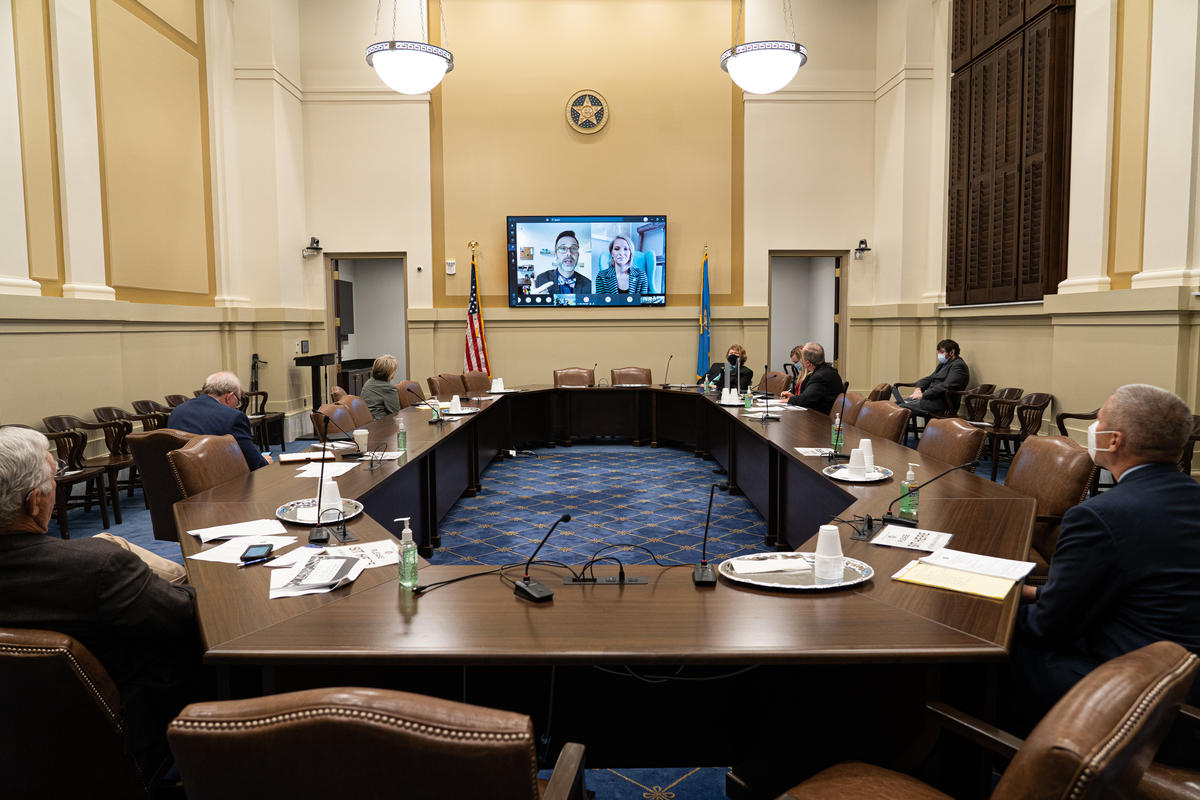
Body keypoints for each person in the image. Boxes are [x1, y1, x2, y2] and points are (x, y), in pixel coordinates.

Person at [1008, 384, 1200, 767]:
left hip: (1136, 702)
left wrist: (993, 608)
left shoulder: (1100, 515)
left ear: (1114, 440)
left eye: (1098, 420)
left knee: (982, 652)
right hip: (1188, 689)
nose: (1093, 428)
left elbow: (1051, 628)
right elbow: (1144, 587)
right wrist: (1031, 593)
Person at [0, 426, 202, 781]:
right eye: (54, 479)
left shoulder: (93, 564)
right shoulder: (96, 568)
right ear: (34, 501)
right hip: (124, 736)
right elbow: (184, 619)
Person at [167, 371, 272, 470]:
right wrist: (265, 462)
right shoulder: (233, 417)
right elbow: (253, 462)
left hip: (180, 478)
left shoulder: (177, 411)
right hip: (221, 481)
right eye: (238, 401)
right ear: (229, 396)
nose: (237, 407)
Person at [894, 338, 969, 414]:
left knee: (900, 408)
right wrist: (918, 389)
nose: (939, 354)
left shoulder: (959, 366)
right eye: (939, 352)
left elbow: (946, 386)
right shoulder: (943, 364)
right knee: (895, 405)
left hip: (940, 403)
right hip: (929, 399)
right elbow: (930, 378)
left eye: (942, 352)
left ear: (952, 352)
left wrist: (923, 395)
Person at [779, 342, 843, 414]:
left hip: (822, 420)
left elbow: (805, 400)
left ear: (808, 363)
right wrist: (793, 397)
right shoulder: (828, 370)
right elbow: (809, 396)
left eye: (802, 360)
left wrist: (790, 400)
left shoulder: (820, 376)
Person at [532, 230, 593, 295]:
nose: (569, 253)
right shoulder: (541, 279)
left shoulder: (589, 285)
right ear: (555, 255)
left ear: (578, 255)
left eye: (573, 248)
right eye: (563, 248)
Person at [361, 354, 401, 419]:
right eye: (394, 371)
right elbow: (395, 412)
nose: (395, 373)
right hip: (381, 423)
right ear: (389, 372)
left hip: (368, 421)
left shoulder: (369, 382)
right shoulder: (389, 388)